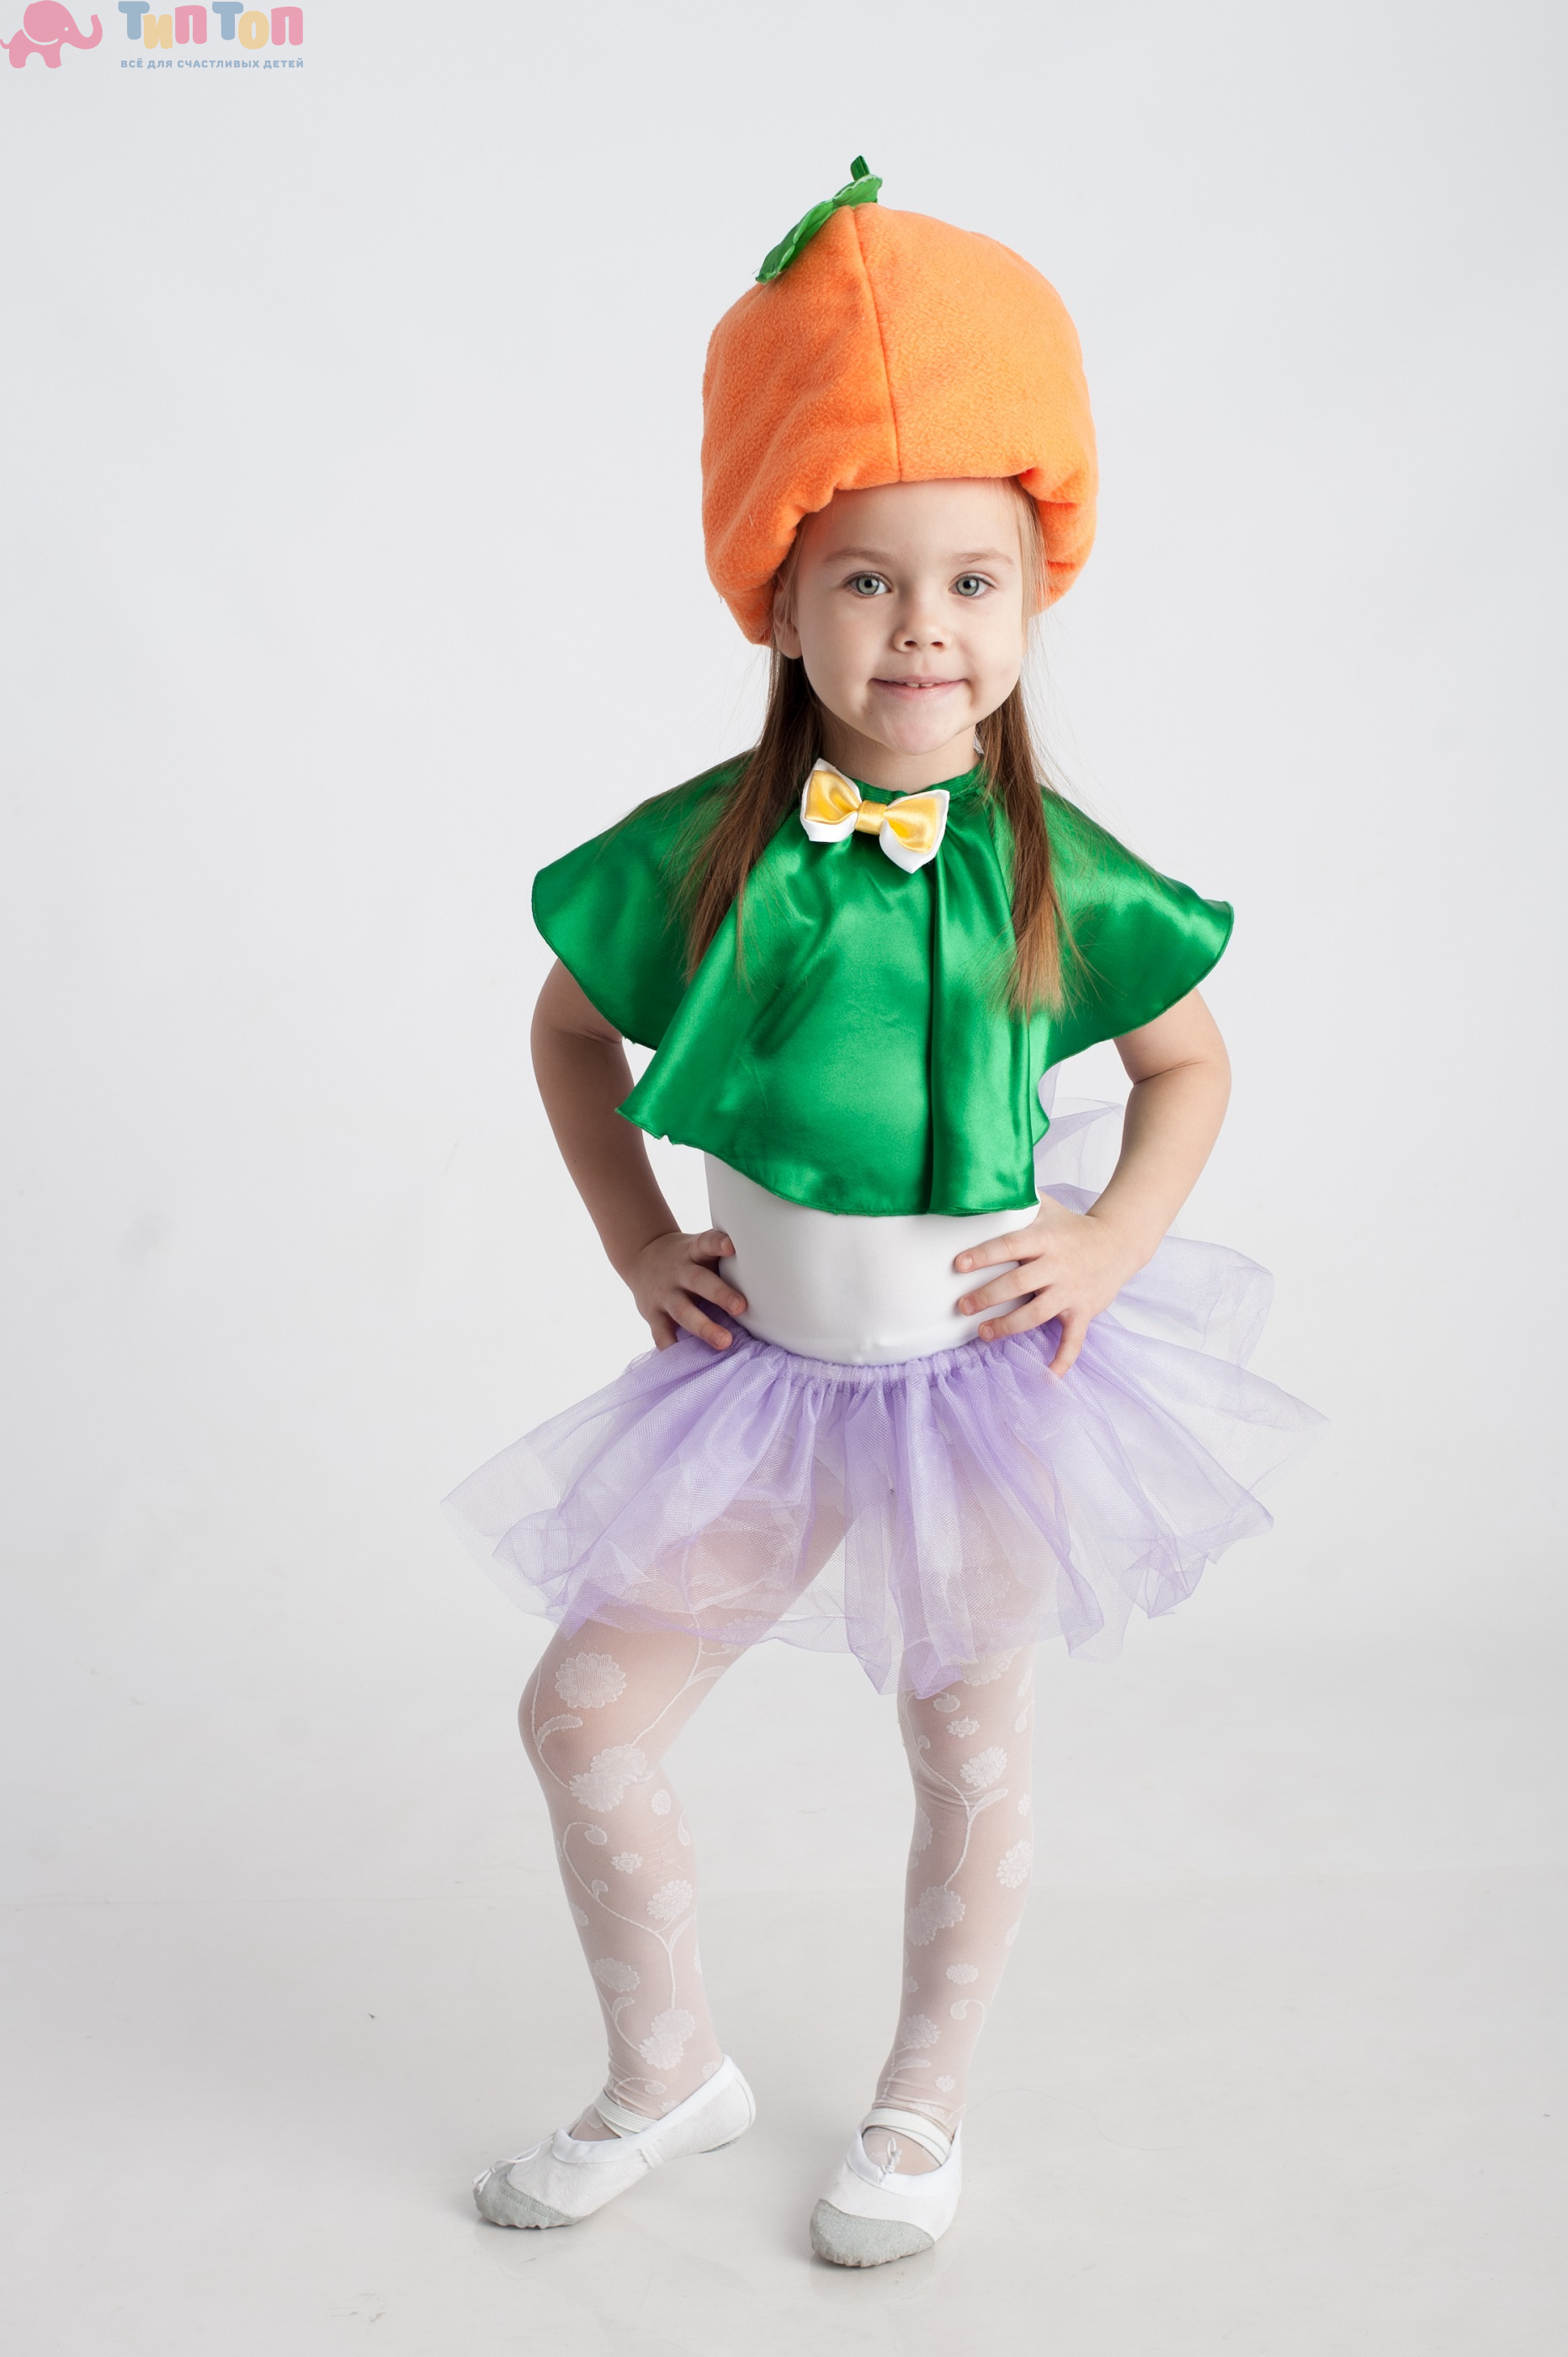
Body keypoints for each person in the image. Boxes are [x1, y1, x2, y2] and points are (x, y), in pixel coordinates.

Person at [444, 161, 1320, 2268]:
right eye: (865, 578)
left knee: (967, 1743)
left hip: (980, 1393)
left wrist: (1105, 1244)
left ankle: (920, 2101)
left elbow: (1191, 1065)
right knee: (583, 1713)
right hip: (758, 1391)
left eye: (971, 580)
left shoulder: (1057, 867)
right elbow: (564, 1033)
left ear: (1029, 600)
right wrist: (633, 1239)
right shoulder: (701, 857)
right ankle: (667, 2069)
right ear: (777, 597)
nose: (923, 626)